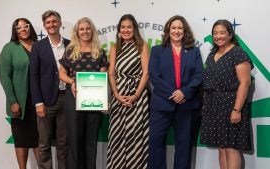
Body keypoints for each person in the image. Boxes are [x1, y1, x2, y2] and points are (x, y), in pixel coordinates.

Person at [148, 15, 203, 169]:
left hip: (186, 105)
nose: (176, 31)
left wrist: (184, 92)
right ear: (168, 30)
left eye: (180, 28)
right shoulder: (157, 50)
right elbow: (154, 75)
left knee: (184, 146)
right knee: (155, 142)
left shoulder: (194, 51)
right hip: (161, 105)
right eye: (173, 28)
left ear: (185, 31)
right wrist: (174, 93)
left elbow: (199, 75)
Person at [200, 19, 253, 169]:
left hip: (231, 104)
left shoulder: (238, 53)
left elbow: (245, 83)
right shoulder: (212, 54)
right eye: (215, 33)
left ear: (230, 34)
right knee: (221, 147)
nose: (218, 36)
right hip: (213, 104)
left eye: (222, 32)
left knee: (231, 147)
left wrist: (236, 110)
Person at [59, 17, 108, 169]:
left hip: (93, 99)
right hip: (73, 97)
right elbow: (61, 74)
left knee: (91, 140)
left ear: (92, 30)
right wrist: (72, 82)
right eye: (82, 29)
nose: (85, 31)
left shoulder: (99, 52)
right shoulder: (70, 50)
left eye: (87, 28)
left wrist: (103, 99)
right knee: (74, 139)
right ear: (77, 32)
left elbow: (102, 77)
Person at [107, 14, 150, 169]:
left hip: (137, 96)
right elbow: (111, 73)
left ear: (134, 29)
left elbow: (145, 73)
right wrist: (117, 95)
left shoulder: (142, 46)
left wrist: (136, 95)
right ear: (119, 30)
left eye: (129, 27)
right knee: (117, 135)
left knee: (136, 135)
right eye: (123, 27)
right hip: (118, 95)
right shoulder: (114, 47)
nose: (126, 30)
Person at [30, 10, 70, 169]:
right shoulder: (38, 47)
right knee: (44, 143)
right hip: (46, 101)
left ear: (60, 23)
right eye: (48, 22)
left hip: (67, 98)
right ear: (44, 26)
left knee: (63, 142)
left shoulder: (70, 44)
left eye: (54, 21)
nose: (52, 24)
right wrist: (38, 102)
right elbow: (33, 76)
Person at [0, 18, 39, 169]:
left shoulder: (39, 46)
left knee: (39, 139)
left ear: (30, 28)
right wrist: (12, 101)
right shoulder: (9, 48)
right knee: (21, 139)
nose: (23, 29)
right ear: (15, 31)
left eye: (25, 26)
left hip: (39, 101)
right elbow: (5, 77)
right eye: (19, 27)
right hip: (20, 103)